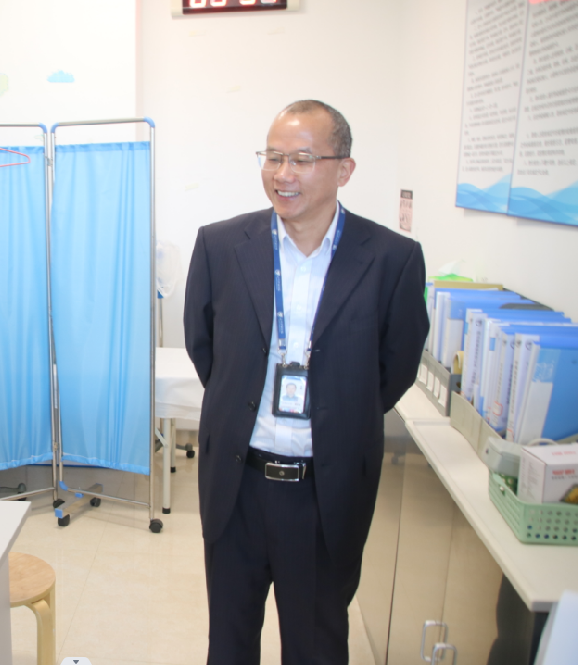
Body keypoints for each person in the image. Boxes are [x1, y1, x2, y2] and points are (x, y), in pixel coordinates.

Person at [183, 100, 429, 664]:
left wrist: (338, 413)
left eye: (301, 159)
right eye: (273, 157)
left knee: (317, 647)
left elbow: (394, 369)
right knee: (229, 644)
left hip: (326, 492)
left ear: (344, 170)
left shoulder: (391, 259)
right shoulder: (221, 246)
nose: (282, 173)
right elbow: (205, 348)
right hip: (237, 485)